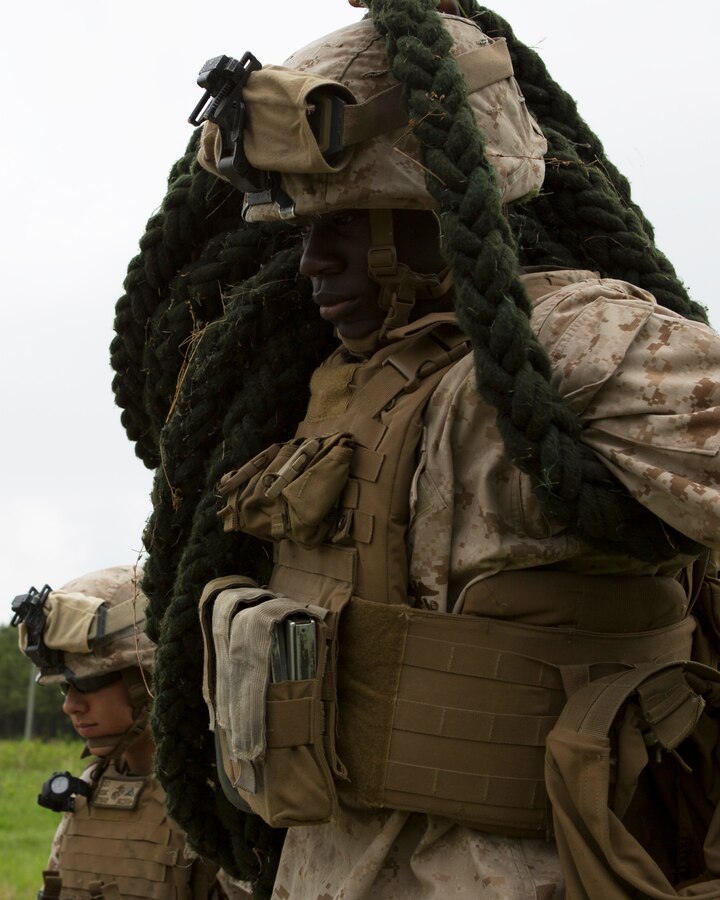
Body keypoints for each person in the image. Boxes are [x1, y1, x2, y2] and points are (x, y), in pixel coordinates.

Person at [110, 1, 720, 898]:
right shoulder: (337, 384)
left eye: (348, 225)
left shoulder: (578, 347)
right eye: (304, 230)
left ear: (442, 204)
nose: (313, 263)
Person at [12, 565, 250, 900]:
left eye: (89, 682)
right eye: (66, 687)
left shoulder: (221, 795)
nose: (71, 706)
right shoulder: (94, 782)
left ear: (148, 675)